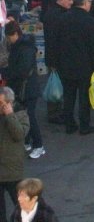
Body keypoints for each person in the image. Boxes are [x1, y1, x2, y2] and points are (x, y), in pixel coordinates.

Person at [57, 0, 94, 135]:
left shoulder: (63, 19)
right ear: (86, 3)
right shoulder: (89, 21)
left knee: (68, 96)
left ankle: (69, 124)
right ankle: (84, 125)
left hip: (65, 65)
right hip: (84, 66)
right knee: (84, 97)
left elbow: (56, 42)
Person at [4, 21, 44, 159]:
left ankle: (38, 145)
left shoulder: (24, 48)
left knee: (29, 117)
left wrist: (6, 73)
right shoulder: (23, 46)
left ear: (15, 34)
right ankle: (27, 141)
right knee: (24, 115)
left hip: (27, 88)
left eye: (9, 37)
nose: (9, 40)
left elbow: (22, 70)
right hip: (24, 88)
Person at [41, 0, 74, 125]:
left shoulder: (52, 13)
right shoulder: (57, 15)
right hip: (57, 58)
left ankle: (57, 112)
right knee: (57, 86)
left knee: (58, 85)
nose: (71, 2)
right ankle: (54, 113)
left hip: (55, 57)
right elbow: (55, 39)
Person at [0, 87, 29, 222]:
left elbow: (19, 135)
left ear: (10, 103)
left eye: (2, 104)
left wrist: (10, 115)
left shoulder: (21, 115)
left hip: (12, 171)